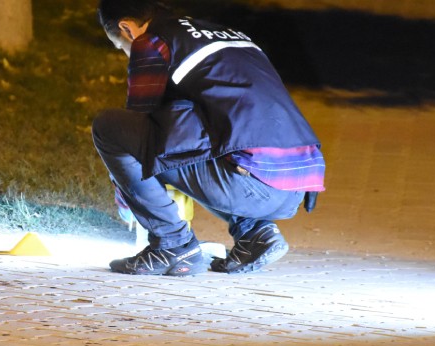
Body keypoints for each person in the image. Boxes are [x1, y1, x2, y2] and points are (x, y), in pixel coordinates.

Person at [92, 0, 325, 276]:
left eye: (121, 47)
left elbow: (139, 133)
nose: (126, 52)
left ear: (126, 28)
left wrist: (128, 198)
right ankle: (255, 235)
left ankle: (172, 244)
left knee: (109, 128)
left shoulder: (152, 42)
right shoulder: (225, 34)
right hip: (297, 186)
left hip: (252, 182)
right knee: (196, 139)